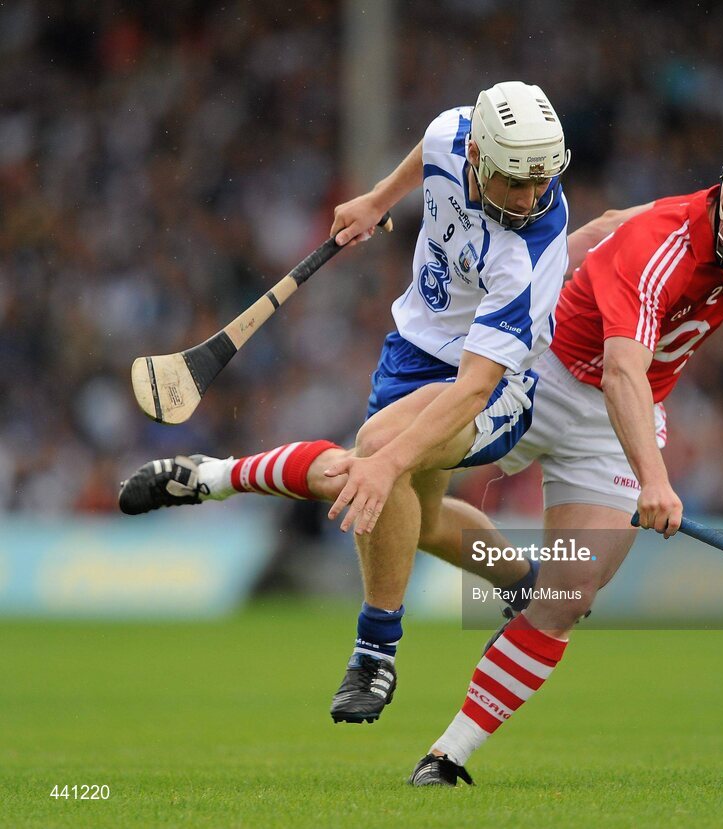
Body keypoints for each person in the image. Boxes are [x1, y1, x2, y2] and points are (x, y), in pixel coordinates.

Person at [118, 80, 571, 725]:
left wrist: (384, 468)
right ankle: (526, 583)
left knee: (378, 458)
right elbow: (429, 148)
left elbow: (472, 387)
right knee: (427, 520)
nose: (530, 198)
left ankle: (374, 650)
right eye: (514, 181)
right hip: (412, 351)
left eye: (541, 180)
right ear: (479, 155)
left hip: (496, 382)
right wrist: (376, 199)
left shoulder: (527, 252)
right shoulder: (452, 132)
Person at [407, 133, 723, 786]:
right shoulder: (666, 244)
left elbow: (605, 232)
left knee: (571, 590)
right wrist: (657, 481)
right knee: (404, 482)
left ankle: (447, 755)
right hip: (543, 376)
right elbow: (622, 369)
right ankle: (511, 571)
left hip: (611, 419)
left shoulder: (715, 239)